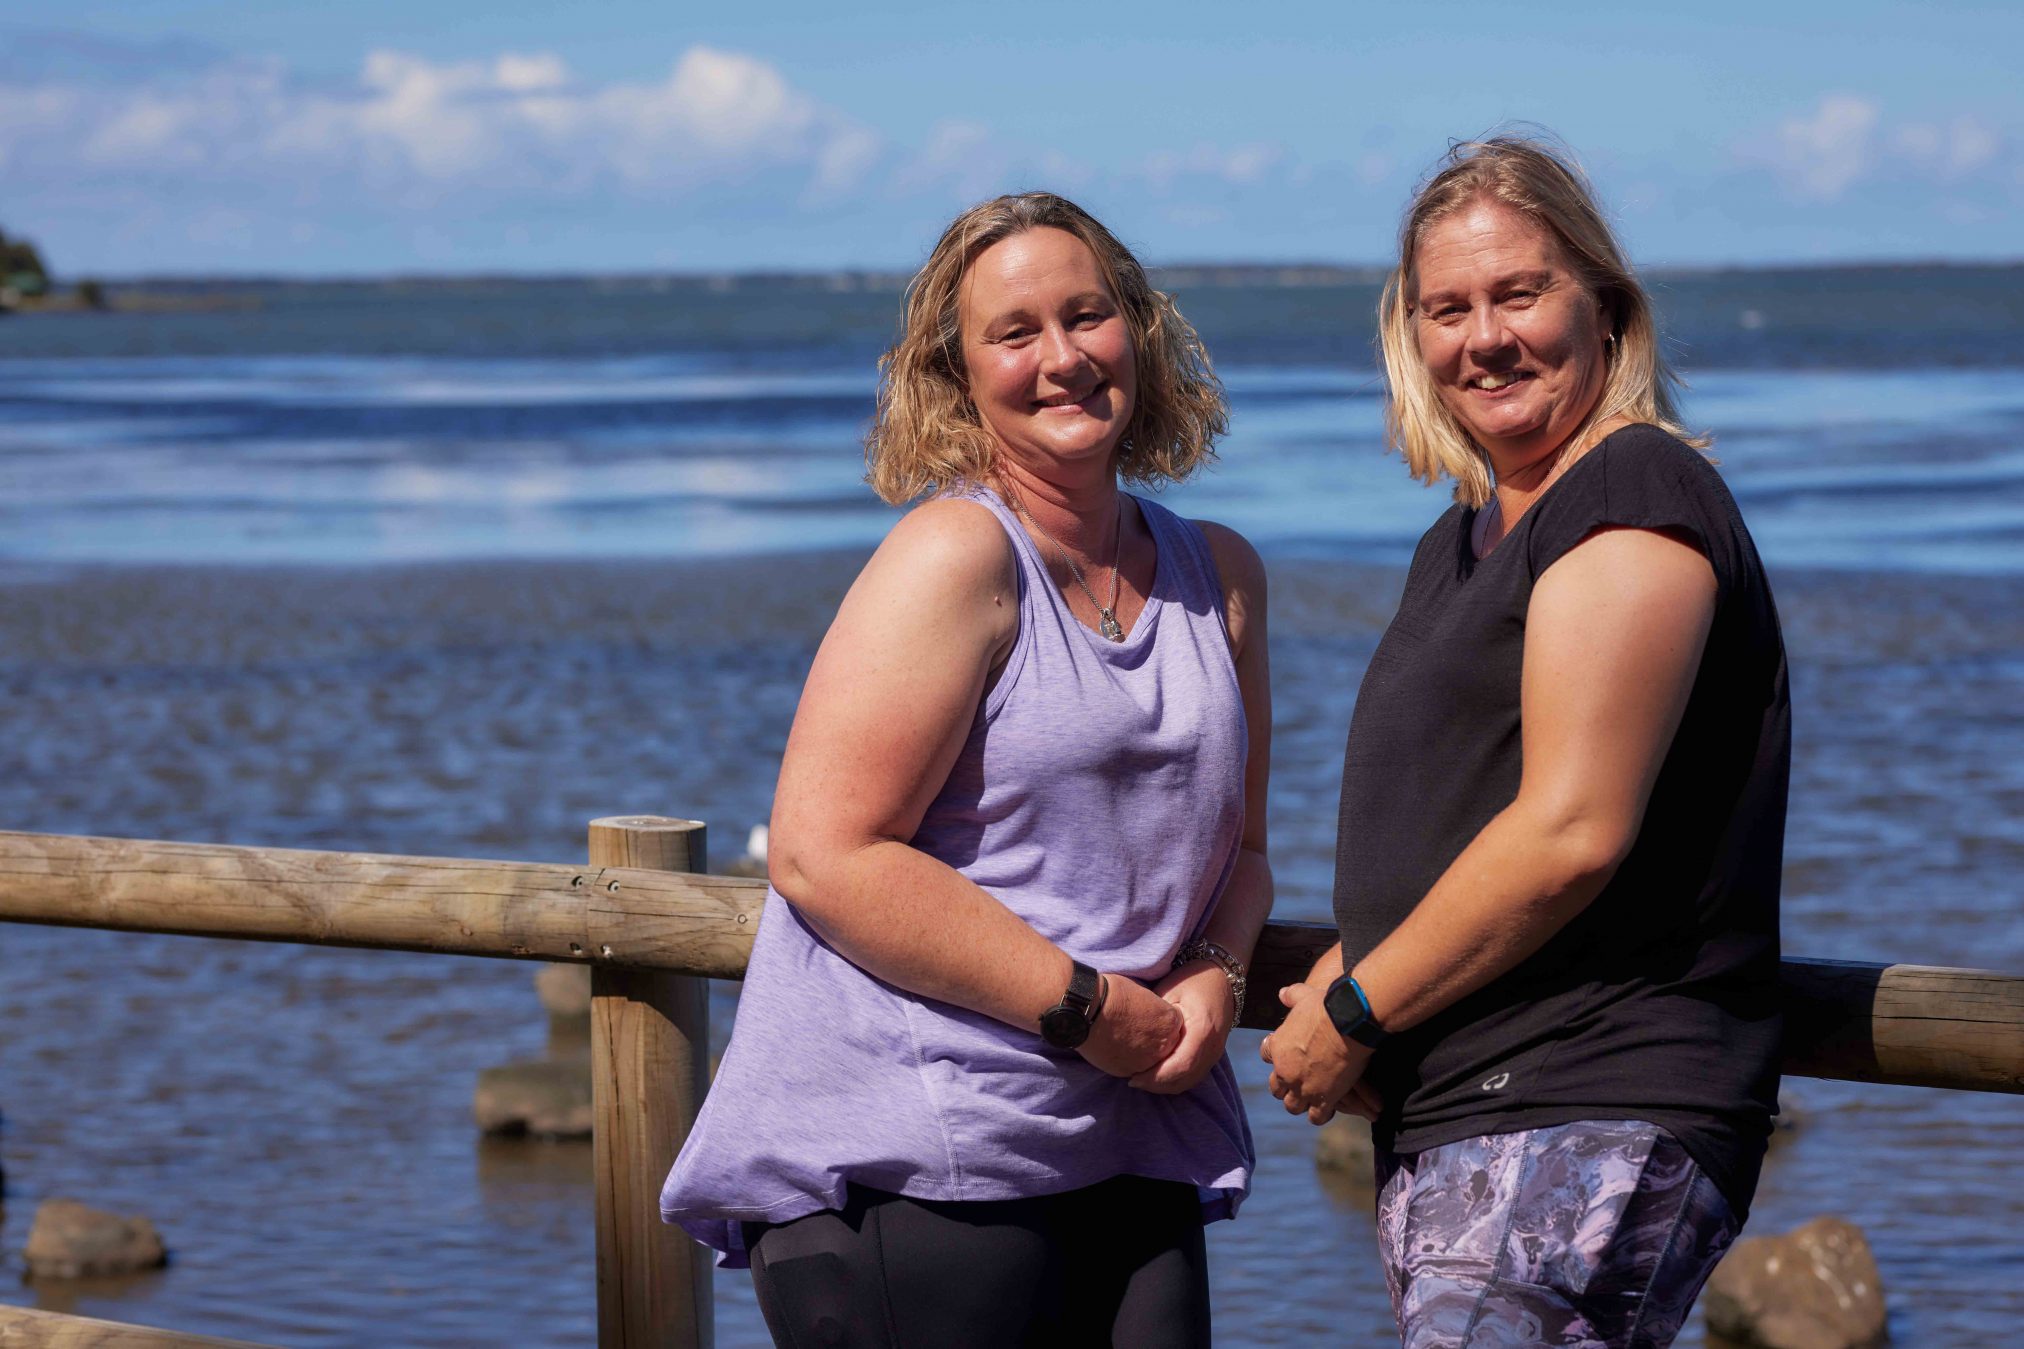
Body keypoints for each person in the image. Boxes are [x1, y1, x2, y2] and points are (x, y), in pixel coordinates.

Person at [661, 192, 1274, 1347]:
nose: (1061, 358)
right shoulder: (955, 554)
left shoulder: (1221, 576)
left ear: (1137, 330)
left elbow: (1238, 853)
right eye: (1014, 331)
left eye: (1087, 315)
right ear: (956, 373)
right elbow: (820, 852)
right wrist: (1091, 1010)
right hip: (916, 1150)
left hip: (1130, 1134)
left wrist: (1215, 976)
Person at [1261, 135, 1790, 1348]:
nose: (1482, 336)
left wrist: (1349, 1008)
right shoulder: (1464, 536)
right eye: (1447, 307)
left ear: (1601, 306)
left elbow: (1567, 829)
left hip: (1586, 1099)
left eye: (1518, 293)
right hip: (1464, 1108)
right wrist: (1364, 946)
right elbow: (1460, 809)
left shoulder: (1631, 491)